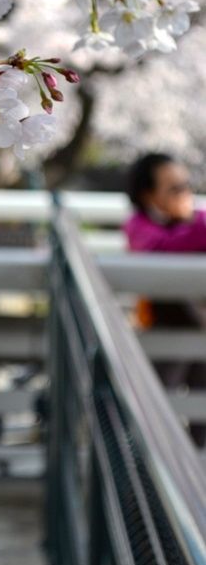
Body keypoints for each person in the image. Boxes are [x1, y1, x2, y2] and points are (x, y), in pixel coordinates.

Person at [124, 153, 206, 447]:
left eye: (186, 185)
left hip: (198, 331)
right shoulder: (139, 226)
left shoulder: (196, 222)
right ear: (148, 195)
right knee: (157, 413)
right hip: (164, 333)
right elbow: (161, 248)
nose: (185, 194)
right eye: (174, 188)